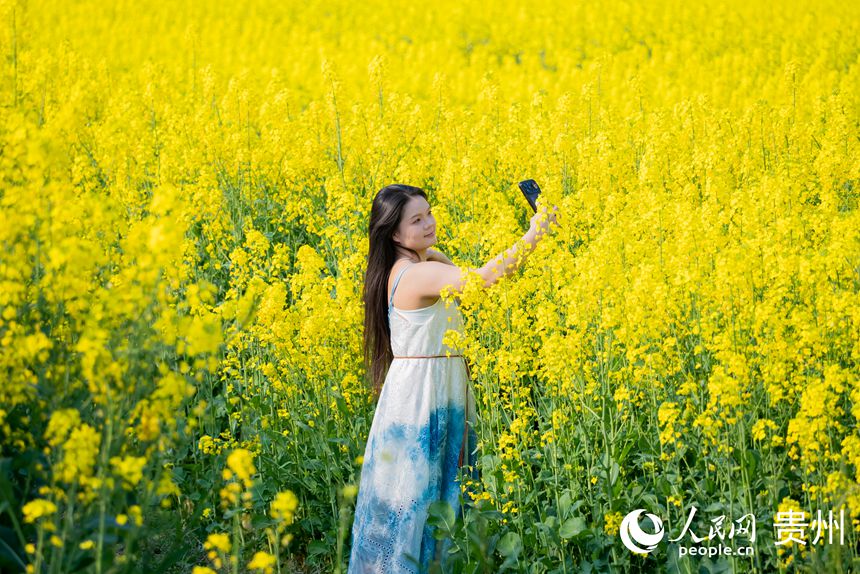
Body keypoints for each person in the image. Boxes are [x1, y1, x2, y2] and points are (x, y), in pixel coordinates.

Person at [348, 183, 558, 573]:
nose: (429, 223)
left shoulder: (426, 262)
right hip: (422, 396)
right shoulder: (414, 274)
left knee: (442, 490)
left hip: (437, 386)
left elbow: (472, 279)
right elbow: (483, 279)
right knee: (415, 496)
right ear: (394, 233)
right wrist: (535, 233)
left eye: (429, 213)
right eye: (416, 219)